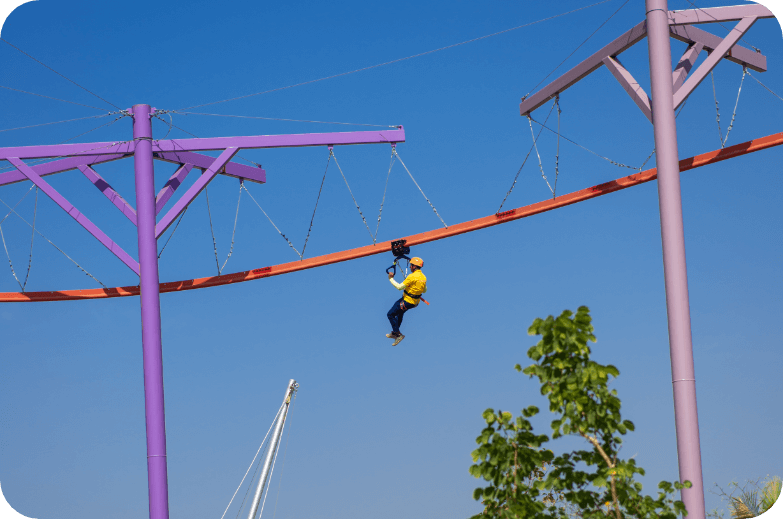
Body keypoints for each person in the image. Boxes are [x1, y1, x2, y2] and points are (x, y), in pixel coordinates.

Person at [386, 257, 427, 346]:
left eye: (411, 265)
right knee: (400, 313)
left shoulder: (412, 276)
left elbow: (399, 287)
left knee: (390, 314)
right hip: (414, 302)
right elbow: (424, 290)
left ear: (414, 266)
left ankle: (398, 334)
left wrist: (390, 278)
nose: (409, 267)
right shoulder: (423, 277)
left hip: (407, 301)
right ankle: (394, 332)